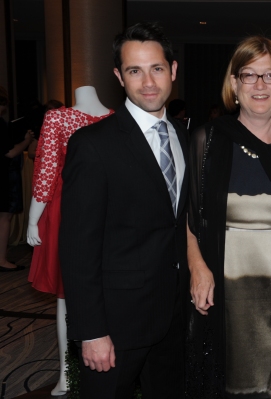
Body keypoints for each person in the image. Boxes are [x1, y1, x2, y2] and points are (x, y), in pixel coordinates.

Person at [59, 22, 188, 398]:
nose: (148, 82)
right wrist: (92, 331)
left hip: (174, 317)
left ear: (173, 70)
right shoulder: (92, 145)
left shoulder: (185, 136)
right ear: (119, 76)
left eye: (157, 68)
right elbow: (77, 248)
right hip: (116, 325)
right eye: (135, 70)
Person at [186, 35, 271, 398]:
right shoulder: (207, 140)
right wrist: (197, 267)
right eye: (249, 75)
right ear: (234, 84)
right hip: (220, 287)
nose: (260, 85)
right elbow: (190, 217)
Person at [27, 86, 113, 396]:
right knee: (104, 291)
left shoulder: (57, 118)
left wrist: (32, 218)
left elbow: (47, 170)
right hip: (108, 211)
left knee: (67, 296)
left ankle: (67, 373)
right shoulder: (114, 118)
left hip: (68, 210)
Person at [0, 85, 33, 272]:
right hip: (2, 176)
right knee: (4, 218)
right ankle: (2, 260)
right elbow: (10, 153)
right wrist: (27, 141)